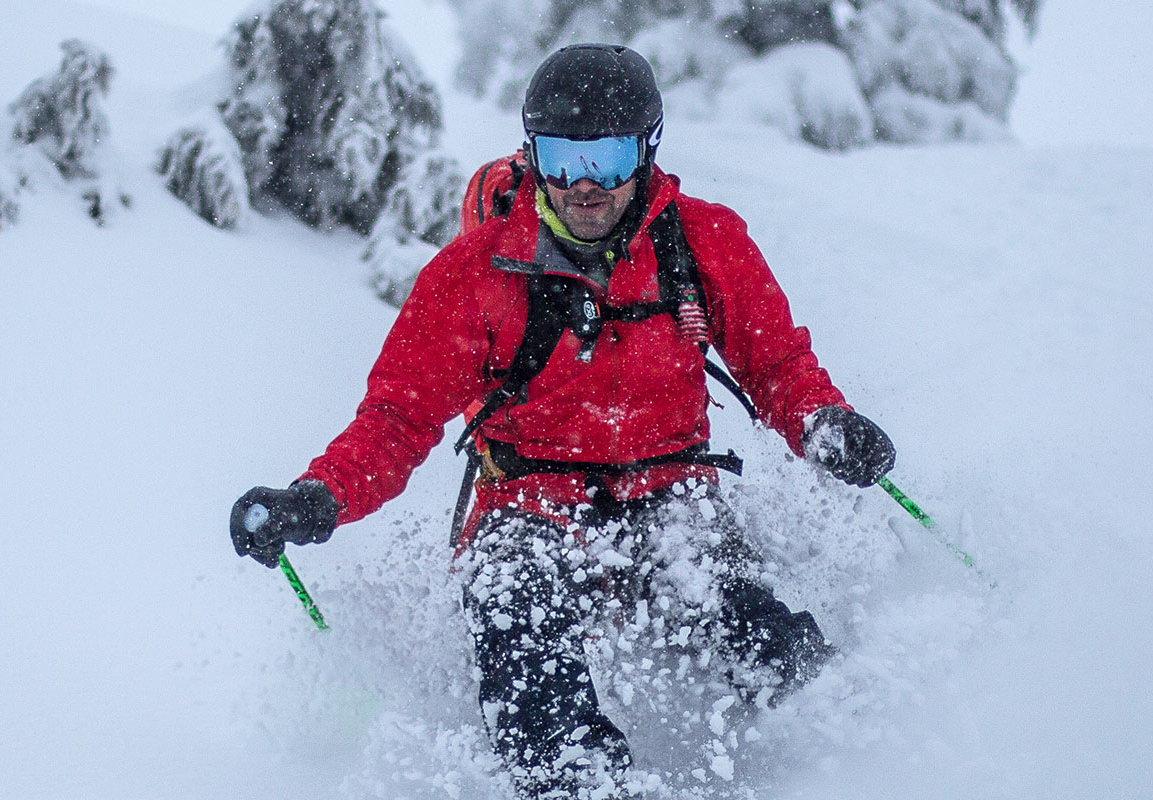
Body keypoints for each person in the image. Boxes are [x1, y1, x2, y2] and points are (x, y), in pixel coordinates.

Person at [231, 44, 895, 800]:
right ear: (531, 153)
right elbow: (396, 419)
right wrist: (318, 496)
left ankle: (846, 756)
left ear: (647, 150)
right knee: (515, 610)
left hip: (670, 490)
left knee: (743, 616)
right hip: (527, 504)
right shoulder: (472, 276)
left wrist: (822, 423)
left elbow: (777, 366)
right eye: (561, 156)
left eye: (609, 158)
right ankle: (579, 785)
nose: (585, 183)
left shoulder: (704, 242)